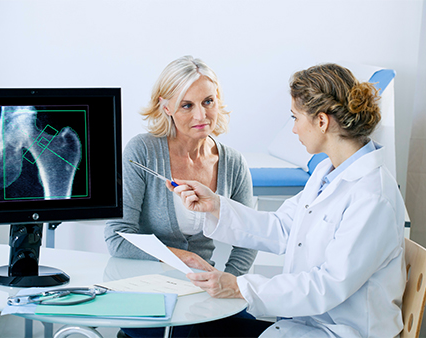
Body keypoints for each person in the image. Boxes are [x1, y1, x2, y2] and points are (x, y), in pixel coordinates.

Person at [171, 63, 407, 338]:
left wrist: (240, 287)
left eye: (295, 118)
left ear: (321, 121)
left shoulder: (372, 196)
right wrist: (215, 206)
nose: (294, 129)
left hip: (342, 332)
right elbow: (282, 227)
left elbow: (327, 286)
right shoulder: (327, 172)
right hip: (305, 324)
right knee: (195, 329)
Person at [104, 55, 257, 338]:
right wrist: (182, 257)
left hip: (206, 294)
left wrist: (228, 283)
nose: (201, 116)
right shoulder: (143, 152)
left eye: (208, 102)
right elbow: (117, 237)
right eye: (187, 105)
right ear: (166, 107)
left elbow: (250, 238)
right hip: (148, 290)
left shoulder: (233, 162)